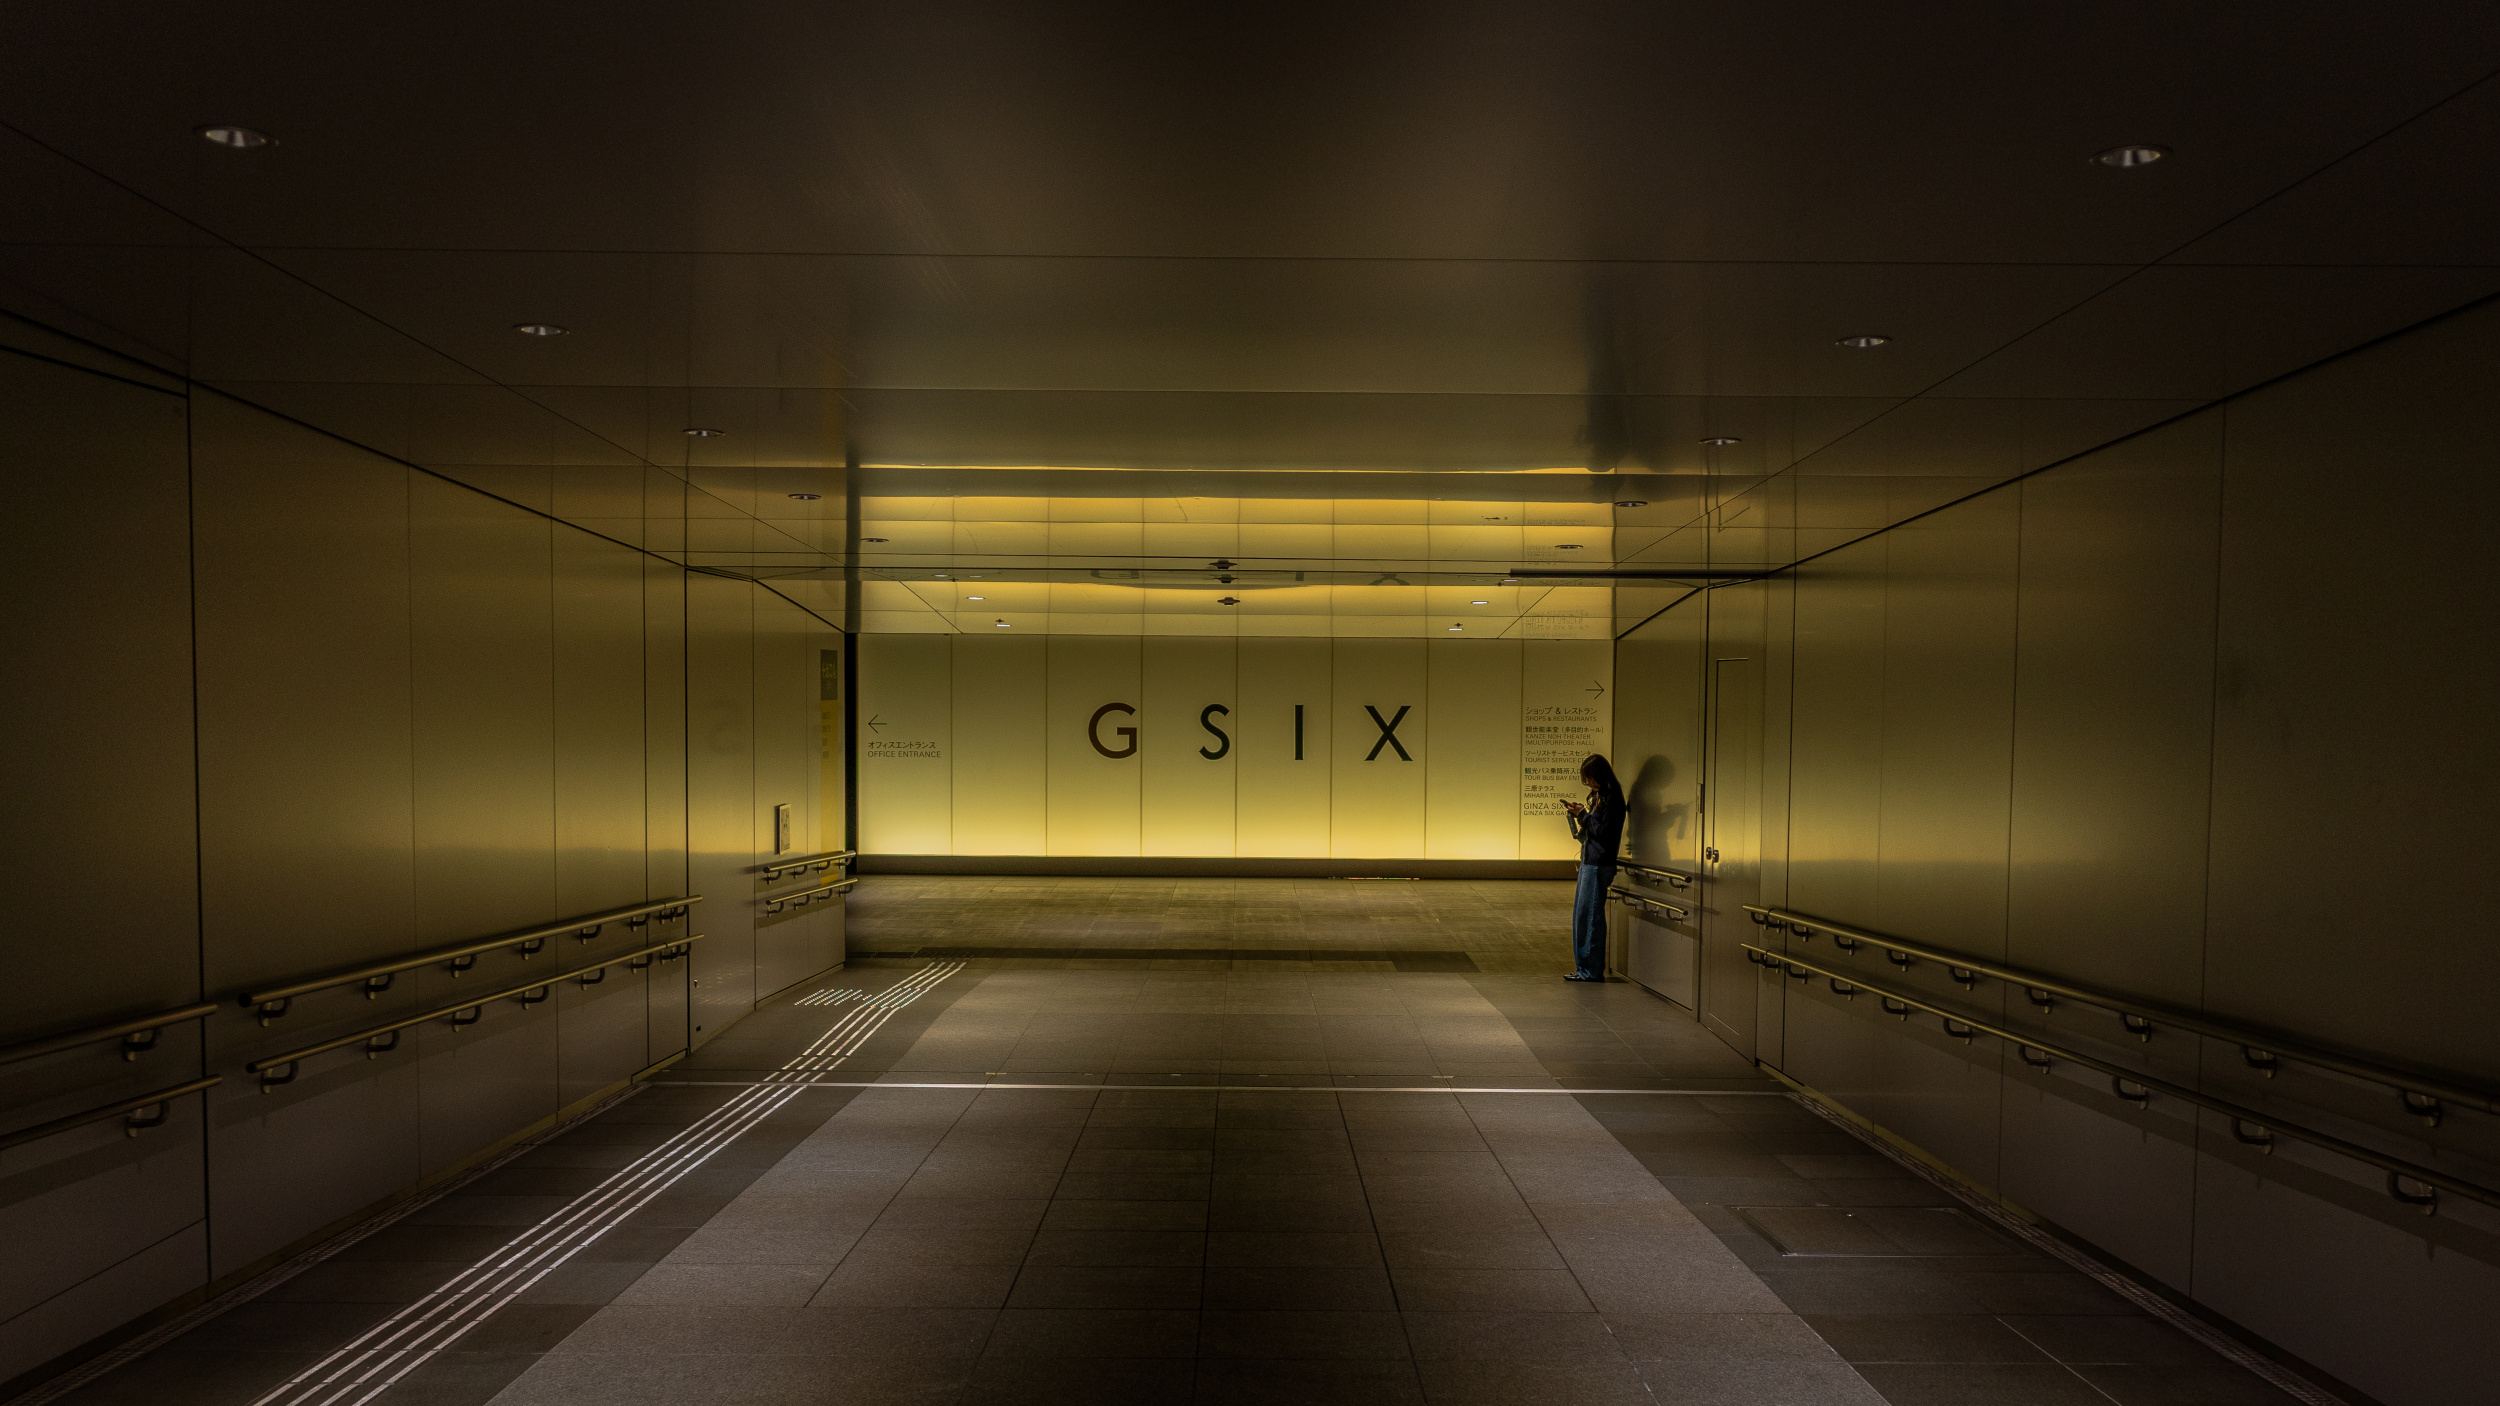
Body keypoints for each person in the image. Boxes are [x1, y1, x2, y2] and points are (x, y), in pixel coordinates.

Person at [1560, 754, 1624, 982]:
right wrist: (1582, 814)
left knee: (1590, 919)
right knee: (1583, 917)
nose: (1588, 783)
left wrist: (1583, 815)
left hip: (1599, 864)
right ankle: (1584, 968)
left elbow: (1604, 832)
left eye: (1589, 779)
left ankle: (1590, 970)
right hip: (1591, 861)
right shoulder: (1602, 796)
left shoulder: (1612, 799)